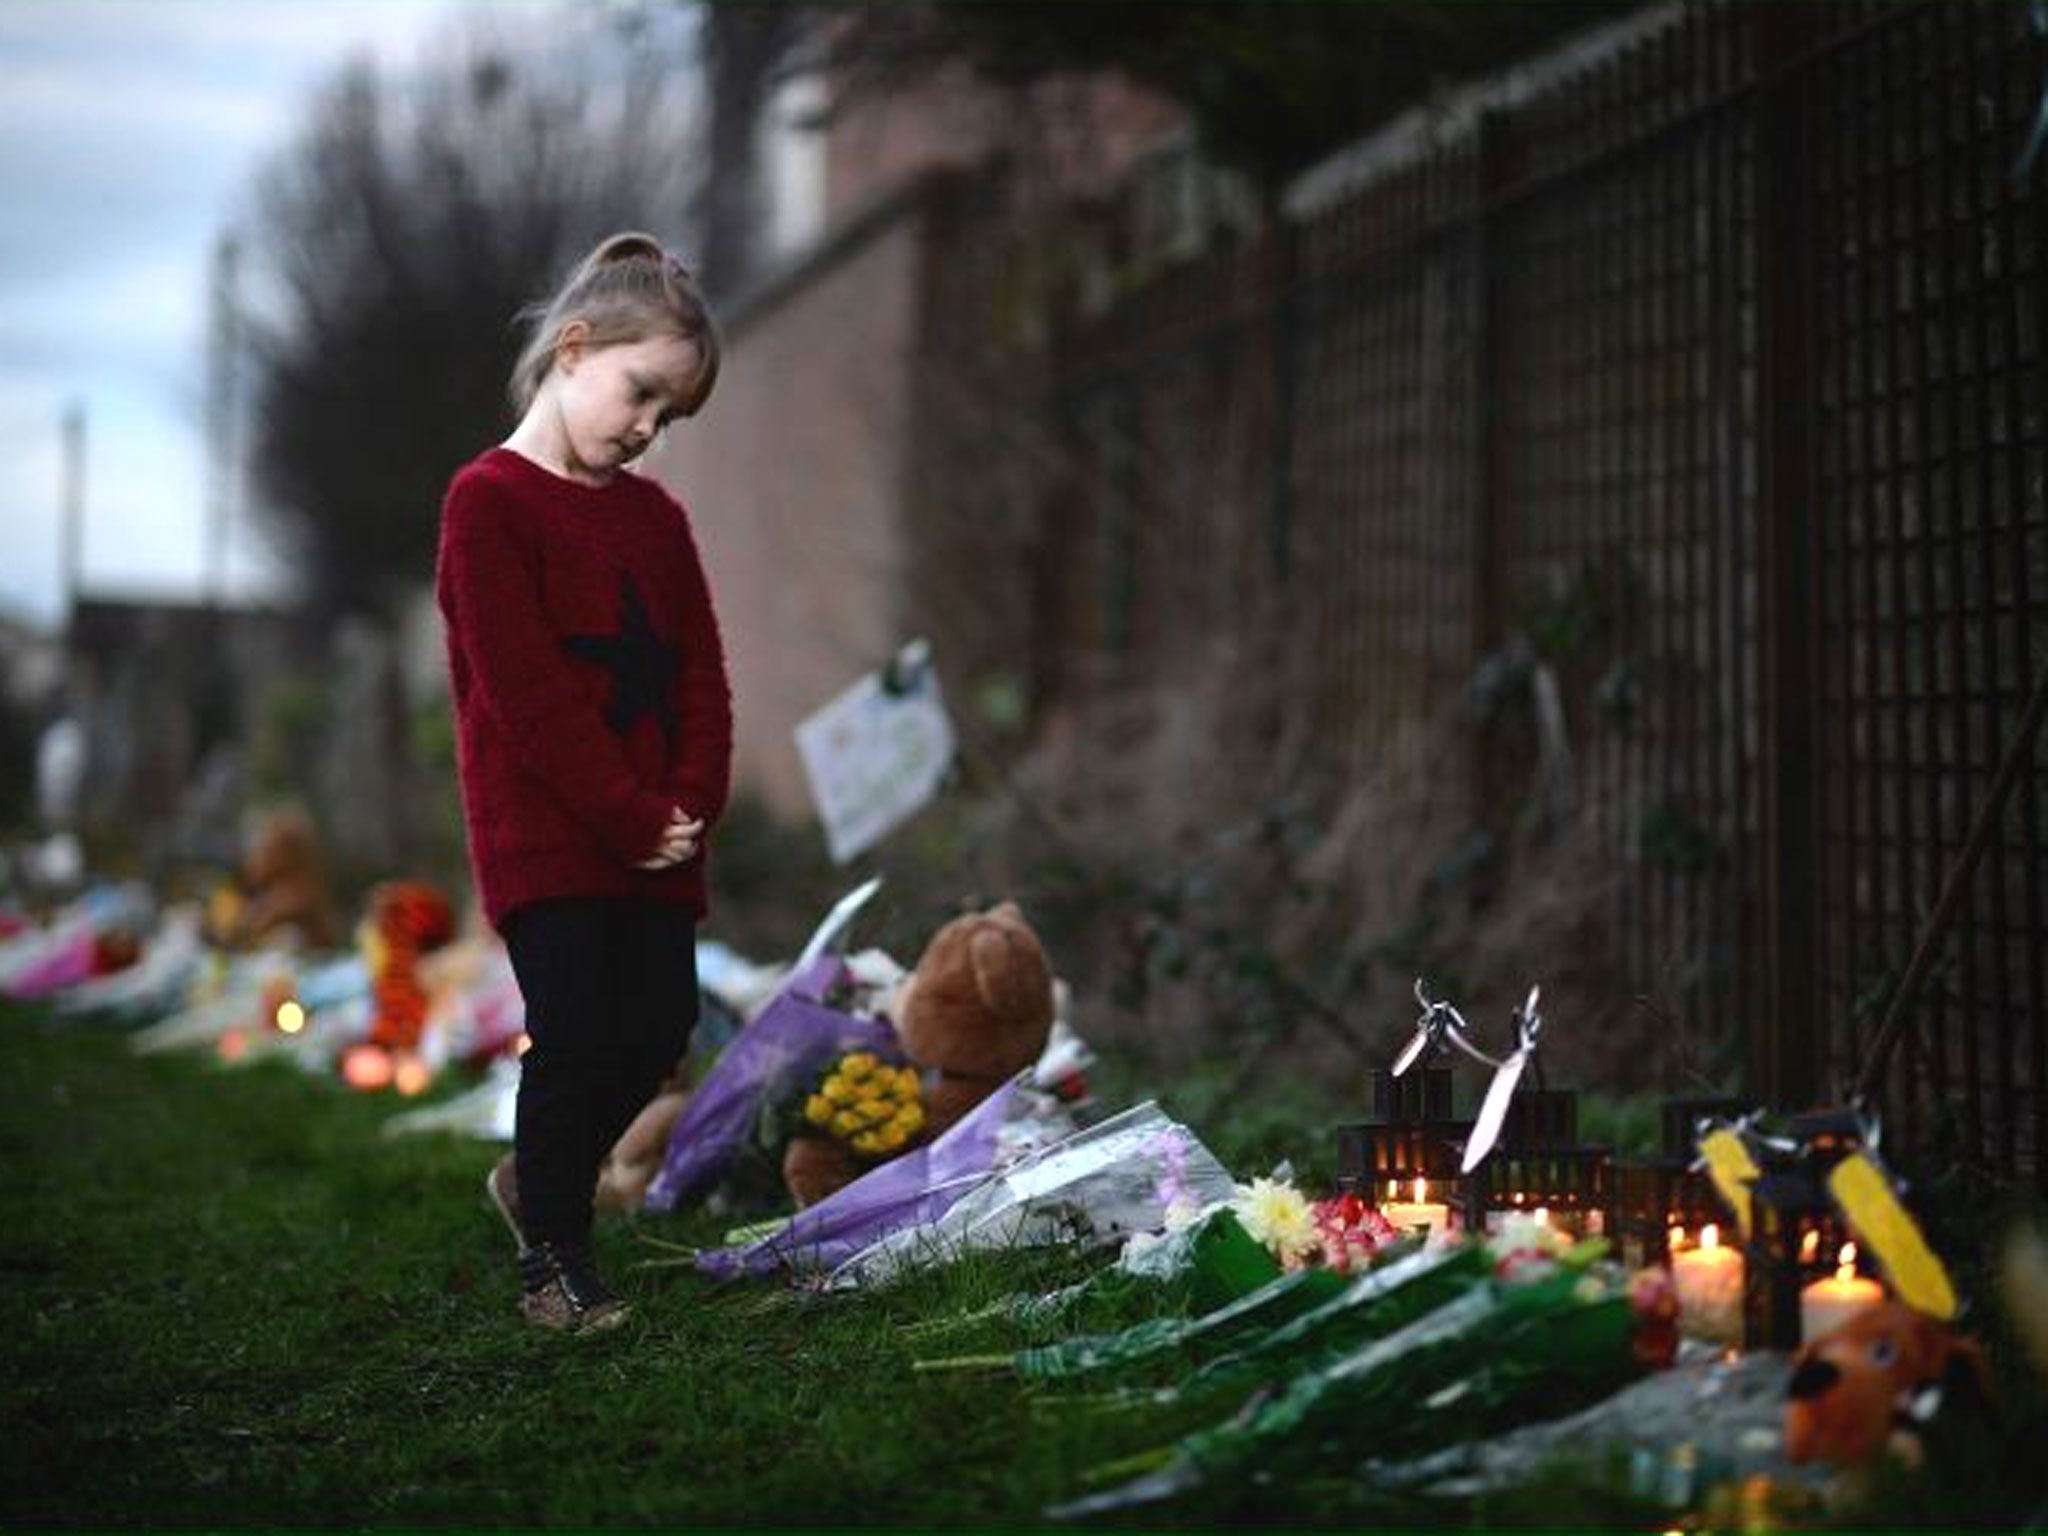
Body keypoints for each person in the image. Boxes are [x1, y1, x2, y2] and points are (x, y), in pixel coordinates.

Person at [435, 231, 731, 1332]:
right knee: (573, 1032)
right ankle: (554, 1261)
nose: (648, 428)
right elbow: (526, 700)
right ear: (573, 349)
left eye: (670, 416)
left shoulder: (656, 520)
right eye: (641, 393)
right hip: (552, 835)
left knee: (656, 1026)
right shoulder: (488, 505)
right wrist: (622, 812)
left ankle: (532, 1180)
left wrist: (693, 801)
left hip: (656, 836)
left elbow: (700, 671)